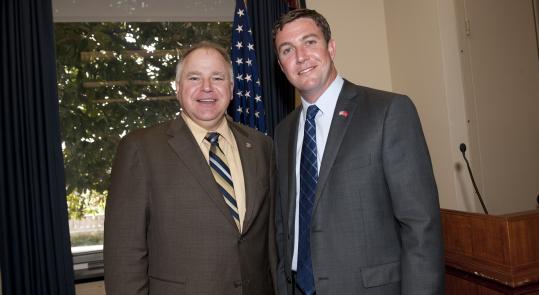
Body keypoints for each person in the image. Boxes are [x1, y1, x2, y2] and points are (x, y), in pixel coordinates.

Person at [272, 9, 444, 295]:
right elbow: (284, 223)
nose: (300, 56)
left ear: (331, 47)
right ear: (281, 65)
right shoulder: (283, 131)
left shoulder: (388, 111)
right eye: (288, 50)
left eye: (310, 42)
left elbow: (420, 226)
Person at [104, 42, 276, 295]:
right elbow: (123, 254)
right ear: (178, 88)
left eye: (217, 78)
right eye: (194, 77)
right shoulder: (140, 149)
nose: (207, 87)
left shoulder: (261, 146)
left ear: (231, 88)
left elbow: (270, 240)